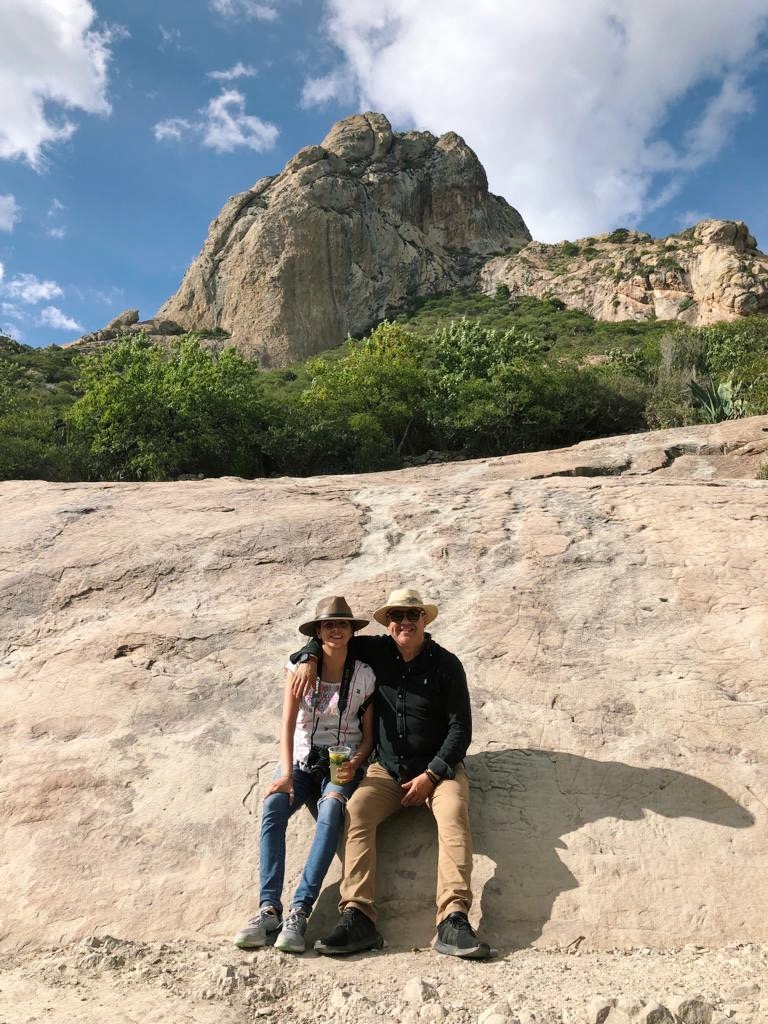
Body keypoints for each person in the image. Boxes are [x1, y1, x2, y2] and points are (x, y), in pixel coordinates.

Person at [290, 586, 491, 959]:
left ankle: (453, 918)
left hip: (438, 770)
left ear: (423, 619)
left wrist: (432, 775)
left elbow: (460, 730)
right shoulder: (376, 652)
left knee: (453, 813)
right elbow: (333, 639)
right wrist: (309, 657)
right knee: (356, 812)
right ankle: (358, 916)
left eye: (412, 615)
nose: (404, 622)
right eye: (396, 616)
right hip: (387, 770)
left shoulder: (447, 664)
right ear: (387, 623)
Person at [234, 597, 375, 954]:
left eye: (342, 624)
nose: (336, 630)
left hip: (340, 763)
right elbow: (286, 724)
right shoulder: (297, 668)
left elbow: (369, 735)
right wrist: (284, 773)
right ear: (318, 632)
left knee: (331, 810)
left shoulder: (365, 675)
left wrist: (356, 762)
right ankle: (268, 909)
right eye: (329, 625)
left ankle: (299, 911)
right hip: (299, 760)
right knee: (273, 807)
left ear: (352, 631)